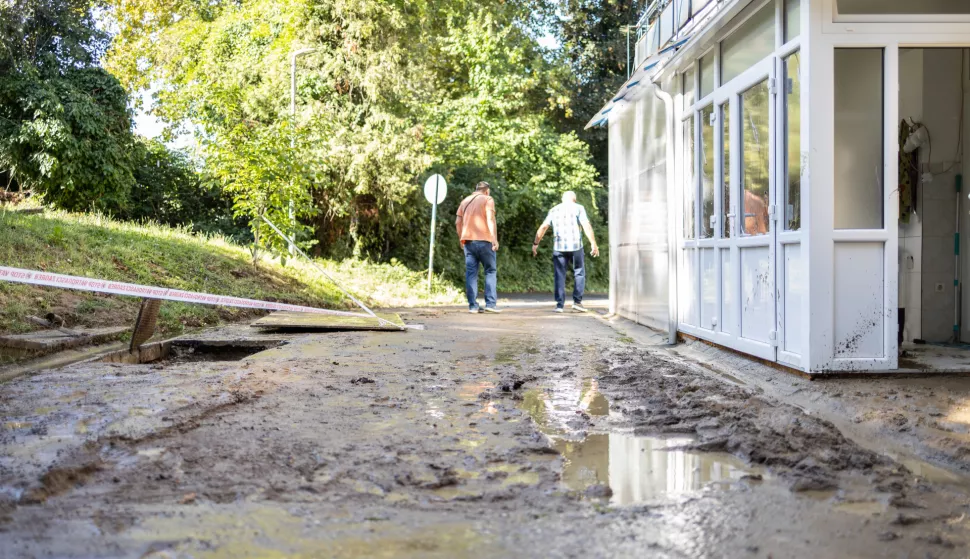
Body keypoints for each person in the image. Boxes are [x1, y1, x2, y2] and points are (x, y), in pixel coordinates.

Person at [532, 191, 599, 313]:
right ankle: (577, 302)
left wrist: (535, 243)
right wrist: (593, 243)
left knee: (559, 275)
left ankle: (559, 305)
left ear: (563, 199)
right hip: (576, 246)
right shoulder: (579, 208)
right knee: (579, 273)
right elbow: (586, 225)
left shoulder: (554, 210)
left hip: (559, 247)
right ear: (574, 199)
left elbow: (543, 227)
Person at [456, 181, 501, 313]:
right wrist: (494, 239)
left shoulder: (465, 201)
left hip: (468, 242)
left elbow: (458, 222)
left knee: (471, 273)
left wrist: (461, 238)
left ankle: (473, 306)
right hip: (485, 241)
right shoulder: (488, 199)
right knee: (490, 271)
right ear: (487, 191)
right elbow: (490, 219)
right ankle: (490, 304)